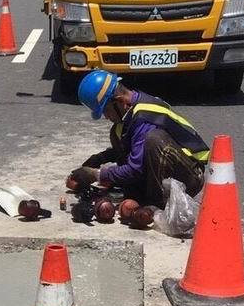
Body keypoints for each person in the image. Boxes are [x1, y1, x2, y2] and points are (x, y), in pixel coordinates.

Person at [70, 70, 210, 208]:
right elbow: (134, 145)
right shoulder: (133, 107)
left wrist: (96, 174)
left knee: (154, 139)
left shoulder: (145, 118)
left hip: (191, 175)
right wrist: (99, 158)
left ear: (120, 102)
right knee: (117, 132)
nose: (106, 117)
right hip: (172, 166)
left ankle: (155, 203)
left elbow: (135, 169)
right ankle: (139, 191)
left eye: (106, 111)